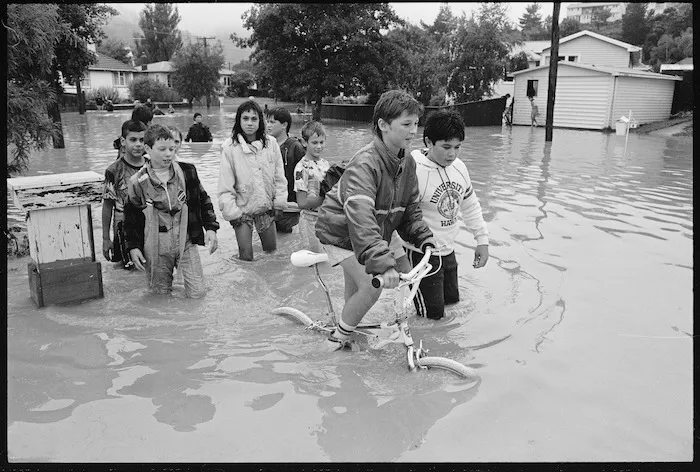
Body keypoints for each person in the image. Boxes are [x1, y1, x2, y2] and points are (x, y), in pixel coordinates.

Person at [314, 90, 436, 351]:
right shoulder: (365, 163)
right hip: (341, 231)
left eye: (416, 123)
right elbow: (360, 218)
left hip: (375, 232)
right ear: (383, 125)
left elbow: (409, 208)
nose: (414, 130)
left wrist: (424, 238)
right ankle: (335, 340)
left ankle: (348, 330)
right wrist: (382, 264)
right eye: (406, 124)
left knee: (379, 283)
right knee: (371, 287)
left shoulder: (408, 162)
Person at [402, 109, 489, 320]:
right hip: (420, 253)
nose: (452, 154)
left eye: (457, 147)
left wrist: (482, 240)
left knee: (453, 305)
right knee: (431, 317)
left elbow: (470, 205)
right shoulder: (413, 170)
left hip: (448, 250)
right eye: (446, 147)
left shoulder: (459, 168)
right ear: (429, 142)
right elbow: (398, 215)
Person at [124, 124, 219, 298]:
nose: (168, 154)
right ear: (148, 149)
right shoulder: (137, 182)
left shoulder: (187, 171)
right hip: (156, 244)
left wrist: (211, 228)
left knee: (198, 293)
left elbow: (203, 200)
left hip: (186, 240)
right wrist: (133, 247)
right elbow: (131, 218)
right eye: (162, 149)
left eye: (172, 149)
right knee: (159, 295)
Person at [218, 99, 288, 261]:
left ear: (260, 121)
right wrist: (233, 214)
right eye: (245, 118)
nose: (250, 123)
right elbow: (225, 186)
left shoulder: (271, 144)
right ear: (239, 121)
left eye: (254, 119)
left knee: (272, 255)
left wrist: (279, 203)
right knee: (246, 257)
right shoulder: (229, 147)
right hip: (242, 209)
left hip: (266, 206)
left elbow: (279, 177)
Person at [101, 120, 148, 270]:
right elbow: (107, 206)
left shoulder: (153, 166)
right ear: (123, 141)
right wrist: (106, 238)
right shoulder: (113, 171)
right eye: (133, 140)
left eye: (142, 140)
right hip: (123, 228)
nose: (138, 144)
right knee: (128, 271)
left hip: (149, 225)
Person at [266, 107, 306, 233]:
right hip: (269, 207)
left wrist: (300, 204)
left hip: (290, 209)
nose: (268, 125)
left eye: (272, 122)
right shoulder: (264, 146)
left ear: (284, 125)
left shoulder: (295, 147)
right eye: (267, 122)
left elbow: (304, 178)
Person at [293, 120, 330, 252]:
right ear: (304, 143)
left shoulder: (326, 164)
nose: (319, 146)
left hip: (324, 219)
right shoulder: (301, 168)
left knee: (326, 261)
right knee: (313, 262)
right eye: (314, 143)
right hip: (309, 221)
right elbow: (302, 202)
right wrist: (325, 197)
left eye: (321, 142)